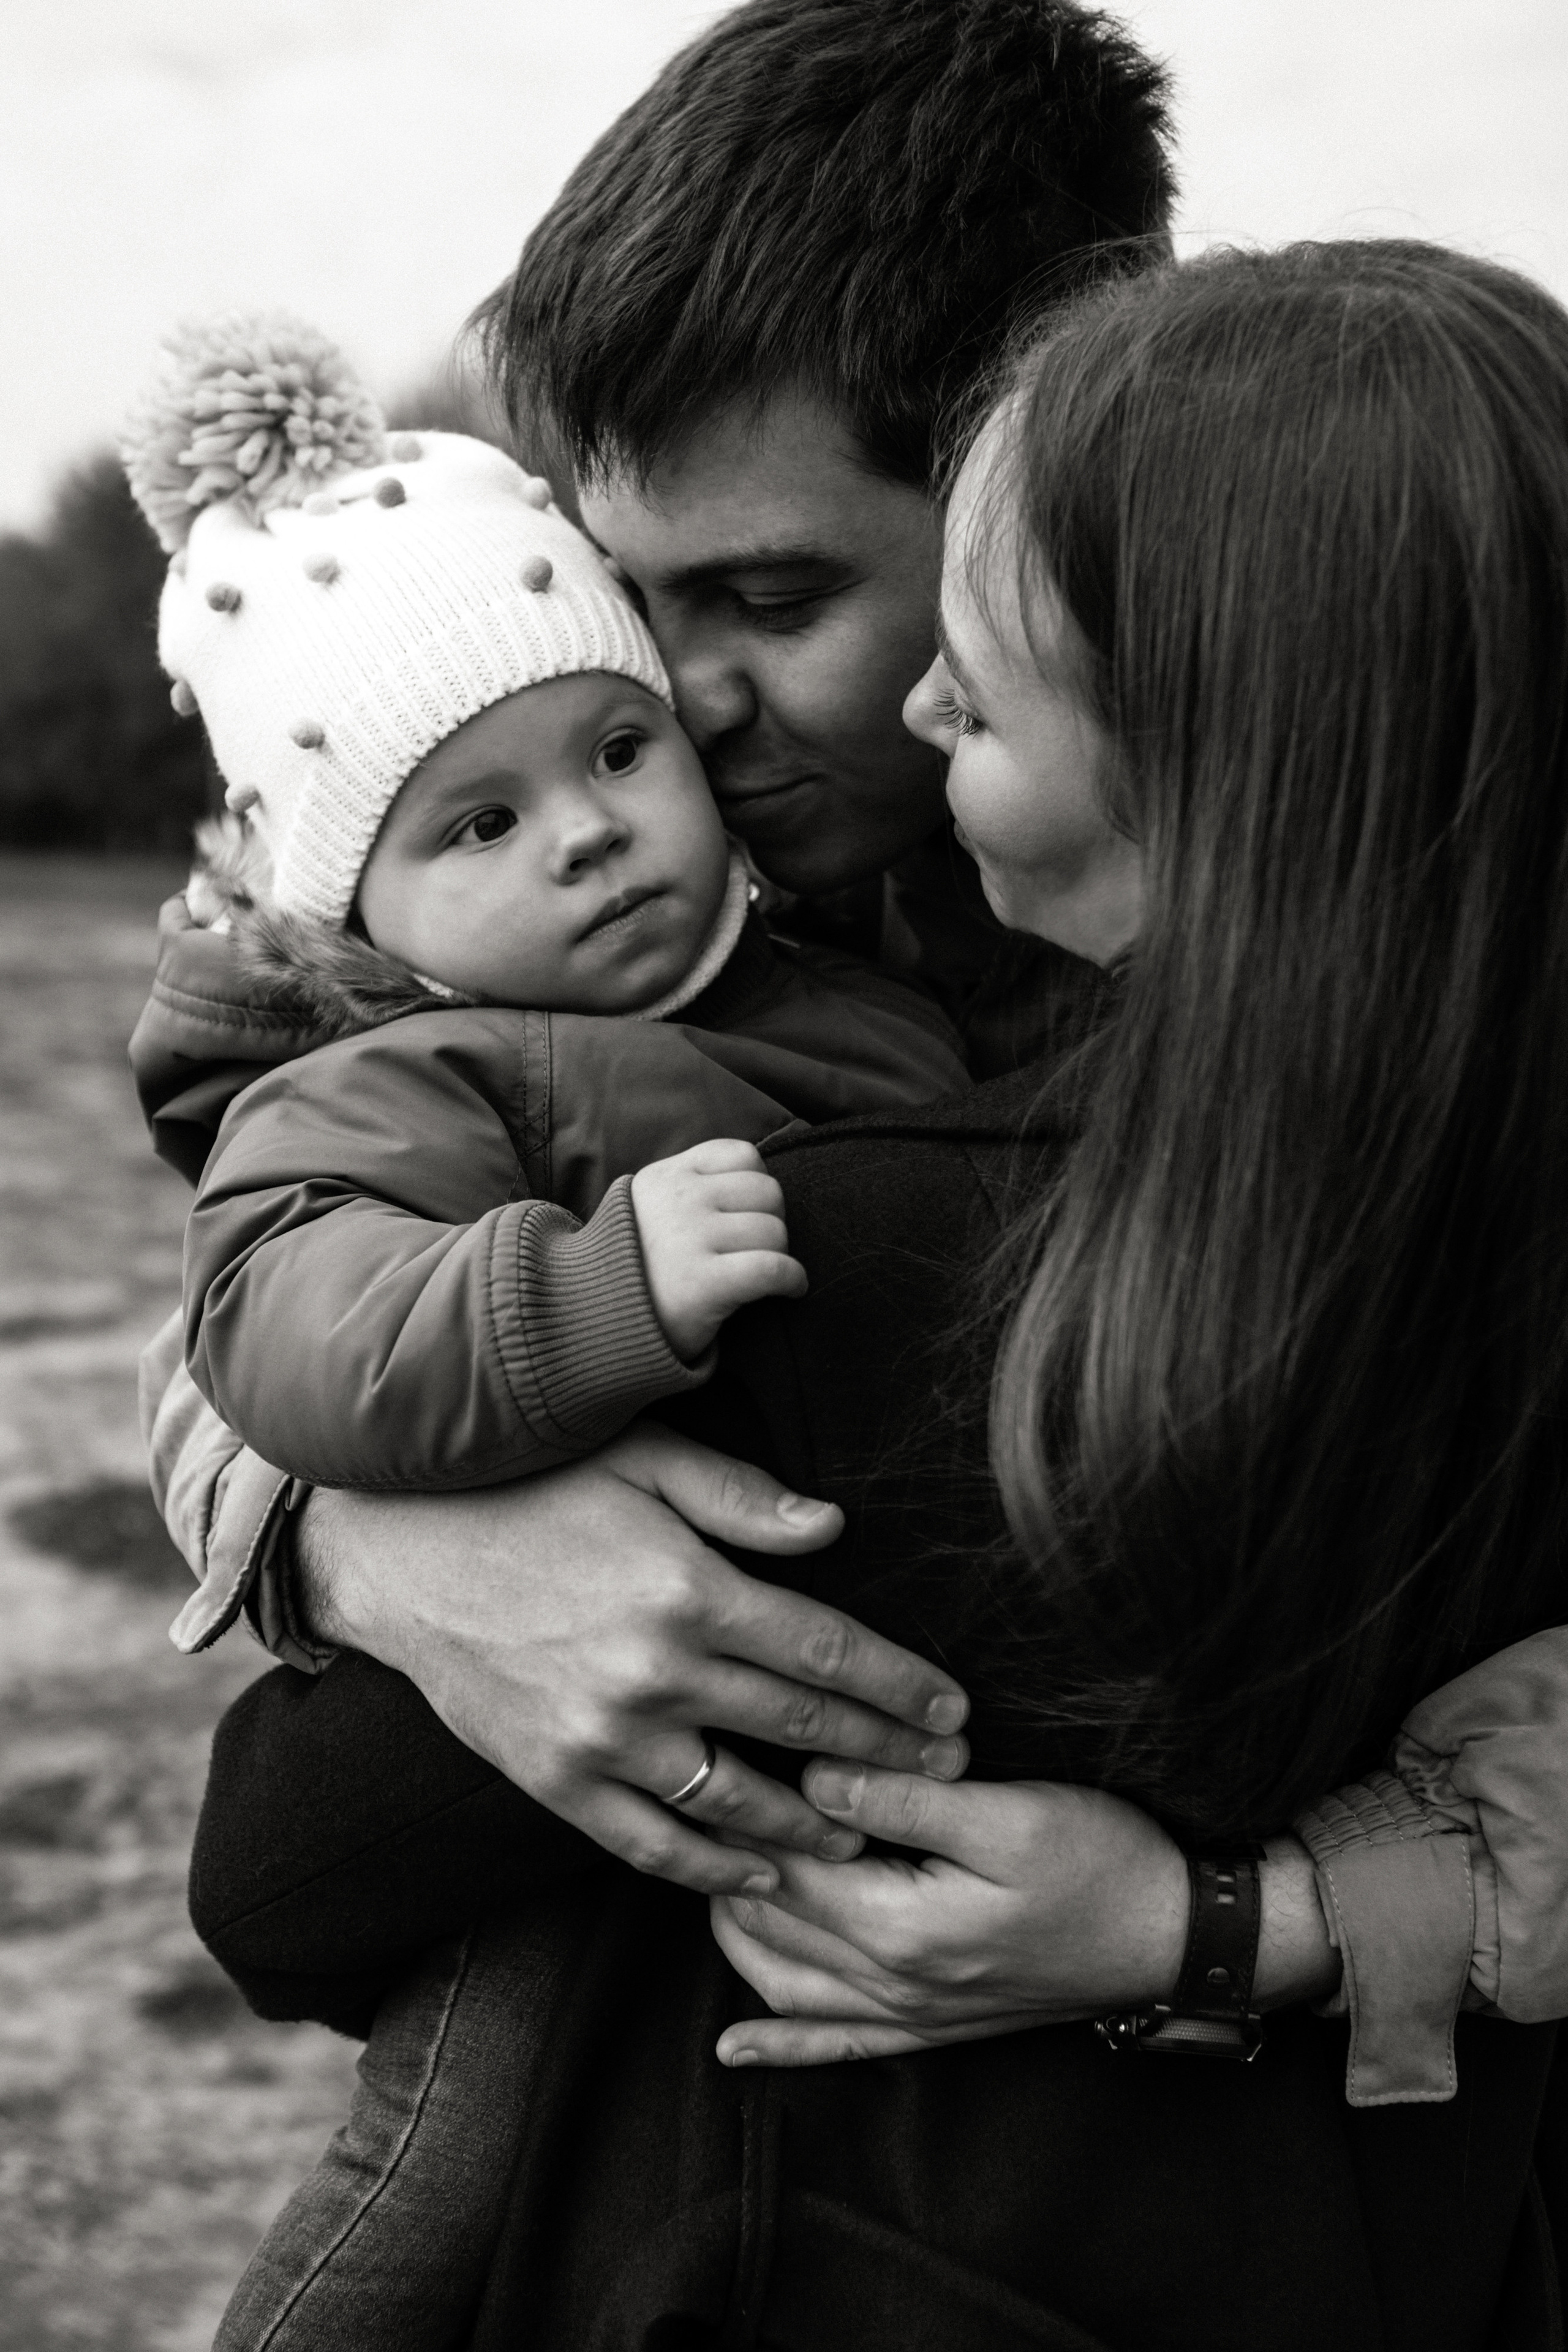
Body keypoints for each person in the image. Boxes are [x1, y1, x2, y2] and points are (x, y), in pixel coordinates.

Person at [194, 241, 1568, 2350]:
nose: (922, 711)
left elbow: (282, 1883)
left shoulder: (868, 1270)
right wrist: (324, 1511)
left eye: (980, 673)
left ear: (1201, 749)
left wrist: (1218, 1933)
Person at [122, 316, 963, 1531]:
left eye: (620, 751)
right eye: (481, 826)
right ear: (353, 915)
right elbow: (283, 1319)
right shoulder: (395, 1084)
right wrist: (588, 1295)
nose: (584, 831)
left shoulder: (840, 963)